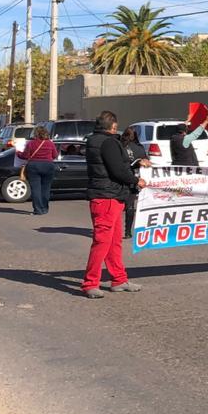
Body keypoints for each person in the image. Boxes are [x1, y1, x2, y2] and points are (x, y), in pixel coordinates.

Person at [83, 110, 146, 299]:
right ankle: (90, 283)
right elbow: (118, 169)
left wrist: (134, 165)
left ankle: (119, 279)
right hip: (107, 196)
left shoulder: (94, 140)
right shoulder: (108, 142)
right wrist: (136, 180)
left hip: (106, 194)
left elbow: (112, 166)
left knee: (113, 241)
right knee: (103, 241)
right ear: (113, 126)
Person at [17, 125, 58, 216]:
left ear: (36, 133)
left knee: (36, 189)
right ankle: (45, 208)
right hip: (48, 166)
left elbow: (25, 156)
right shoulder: (50, 143)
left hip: (34, 166)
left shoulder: (31, 143)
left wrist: (18, 152)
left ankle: (38, 209)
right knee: (46, 188)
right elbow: (55, 155)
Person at [121, 127, 150, 239]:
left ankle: (115, 230)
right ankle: (128, 231)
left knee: (117, 205)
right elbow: (146, 162)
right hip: (135, 179)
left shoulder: (121, 146)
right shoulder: (140, 148)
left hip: (121, 179)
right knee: (130, 206)